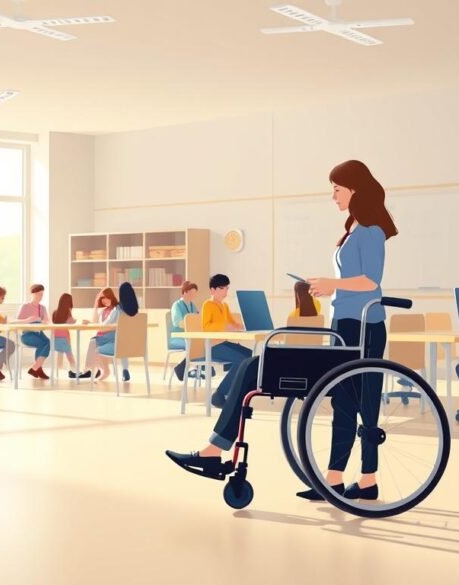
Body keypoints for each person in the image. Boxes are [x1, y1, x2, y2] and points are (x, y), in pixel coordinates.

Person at [166, 160, 397, 503]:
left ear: (355, 189)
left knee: (360, 404)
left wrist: (331, 284)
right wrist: (329, 288)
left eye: (337, 188)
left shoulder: (371, 232)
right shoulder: (354, 231)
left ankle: (366, 478)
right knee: (341, 402)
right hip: (343, 325)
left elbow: (371, 281)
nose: (333, 195)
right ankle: (338, 480)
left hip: (363, 326)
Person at [172, 274, 252, 382]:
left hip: (223, 343)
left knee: (249, 354)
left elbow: (232, 323)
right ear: (212, 290)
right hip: (213, 346)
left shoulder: (225, 306)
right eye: (221, 288)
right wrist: (225, 326)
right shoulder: (208, 305)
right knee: (241, 359)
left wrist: (240, 326)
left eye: (227, 288)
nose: (225, 291)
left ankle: (236, 386)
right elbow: (206, 327)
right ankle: (222, 392)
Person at [85, 287, 129, 381]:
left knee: (93, 343)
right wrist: (95, 305)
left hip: (112, 335)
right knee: (94, 344)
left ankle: (93, 370)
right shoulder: (103, 310)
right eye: (102, 299)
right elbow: (95, 321)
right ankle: (102, 370)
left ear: (111, 296)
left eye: (105, 297)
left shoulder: (117, 309)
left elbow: (108, 324)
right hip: (103, 335)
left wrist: (97, 325)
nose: (104, 300)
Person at [14, 284, 51, 380]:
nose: (40, 297)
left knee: (47, 341)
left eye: (42, 294)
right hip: (27, 334)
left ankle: (35, 367)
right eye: (38, 294)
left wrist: (44, 322)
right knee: (42, 343)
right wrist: (28, 320)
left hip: (39, 332)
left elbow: (47, 321)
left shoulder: (42, 308)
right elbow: (16, 322)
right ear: (32, 294)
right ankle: (37, 368)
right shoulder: (25, 306)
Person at [51, 293, 85, 379]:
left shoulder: (55, 312)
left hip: (55, 337)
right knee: (70, 356)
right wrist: (79, 320)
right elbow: (72, 322)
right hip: (64, 338)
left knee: (60, 353)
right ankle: (76, 371)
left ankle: (57, 372)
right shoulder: (67, 313)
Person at [169, 281, 200, 351]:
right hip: (178, 338)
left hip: (190, 336)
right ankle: (186, 362)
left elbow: (197, 318)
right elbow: (178, 323)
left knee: (202, 344)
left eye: (195, 293)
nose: (193, 295)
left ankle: (191, 361)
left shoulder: (192, 305)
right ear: (185, 292)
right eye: (191, 293)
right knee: (196, 345)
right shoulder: (177, 305)